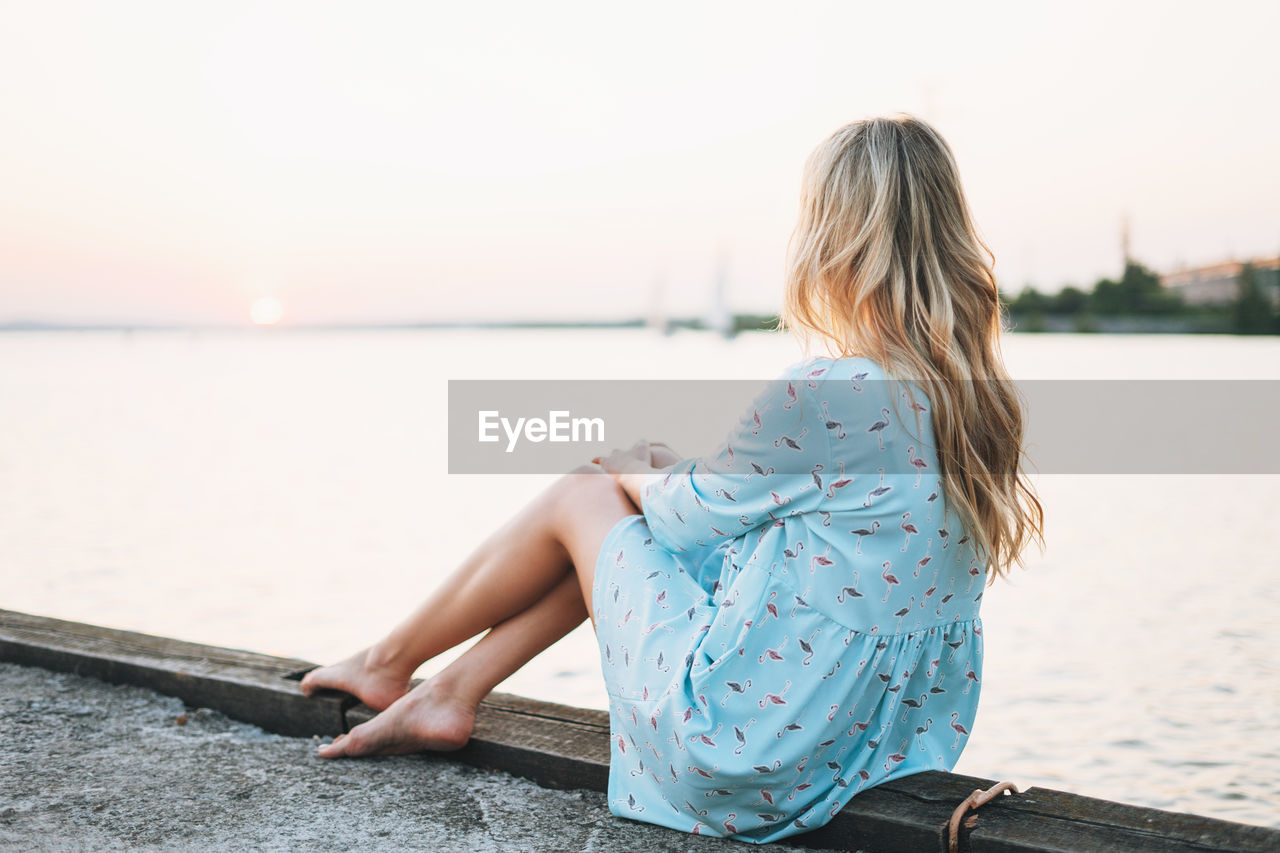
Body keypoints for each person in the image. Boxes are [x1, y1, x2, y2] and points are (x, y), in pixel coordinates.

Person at [300, 114, 1044, 843]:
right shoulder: (981, 402)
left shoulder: (830, 392)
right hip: (872, 749)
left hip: (745, 756)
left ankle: (386, 663)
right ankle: (445, 693)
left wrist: (633, 458)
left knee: (586, 490)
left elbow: (686, 515)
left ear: (833, 236)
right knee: (628, 526)